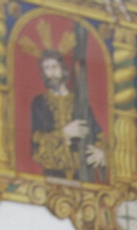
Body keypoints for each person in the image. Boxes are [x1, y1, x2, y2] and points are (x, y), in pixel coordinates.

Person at [31, 49, 105, 180]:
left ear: (63, 69)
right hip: (53, 174)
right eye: (47, 68)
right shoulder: (40, 103)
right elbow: (37, 143)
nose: (51, 72)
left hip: (82, 174)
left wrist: (101, 152)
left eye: (54, 67)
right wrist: (65, 133)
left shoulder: (80, 104)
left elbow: (97, 134)